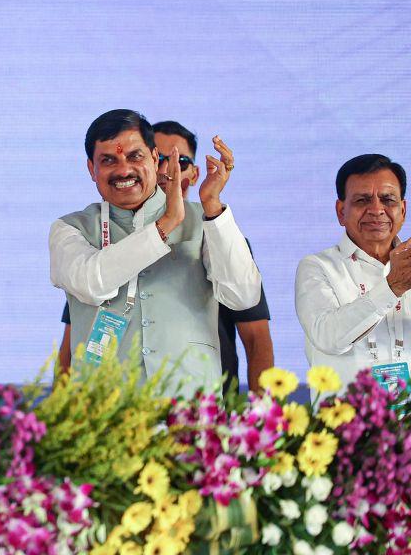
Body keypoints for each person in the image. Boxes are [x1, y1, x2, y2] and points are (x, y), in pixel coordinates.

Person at [49, 109, 261, 396]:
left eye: (135, 156)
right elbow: (91, 283)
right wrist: (166, 225)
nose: (123, 170)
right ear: (91, 169)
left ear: (154, 158)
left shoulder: (207, 221)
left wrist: (212, 205)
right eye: (108, 160)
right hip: (105, 423)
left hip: (190, 418)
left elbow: (242, 296)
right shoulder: (70, 229)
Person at [295, 154, 411, 393]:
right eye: (362, 200)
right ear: (341, 211)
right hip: (346, 426)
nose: (376, 210)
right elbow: (328, 338)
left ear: (402, 210)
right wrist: (393, 287)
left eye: (388, 200)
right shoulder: (317, 267)